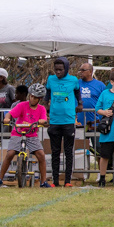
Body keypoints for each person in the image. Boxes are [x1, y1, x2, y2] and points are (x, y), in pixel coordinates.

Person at [0, 84, 50, 188]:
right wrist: (7, 118)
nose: (32, 99)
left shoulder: (41, 109)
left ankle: (43, 182)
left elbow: (44, 119)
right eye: (31, 96)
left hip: (32, 134)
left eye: (35, 97)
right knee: (10, 154)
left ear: (39, 99)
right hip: (18, 133)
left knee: (41, 155)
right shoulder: (22, 105)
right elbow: (10, 114)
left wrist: (42, 121)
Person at [45, 57, 82, 187]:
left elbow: (77, 92)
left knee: (68, 151)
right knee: (55, 151)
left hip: (68, 120)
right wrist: (45, 106)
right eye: (56, 69)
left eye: (60, 69)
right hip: (55, 120)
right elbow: (47, 94)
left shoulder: (73, 80)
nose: (58, 72)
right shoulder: (51, 79)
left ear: (66, 69)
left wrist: (80, 104)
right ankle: (55, 181)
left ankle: (67, 181)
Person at [76, 63, 105, 128]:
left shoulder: (100, 85)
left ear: (90, 71)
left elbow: (106, 102)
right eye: (80, 70)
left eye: (83, 70)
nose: (81, 72)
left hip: (94, 125)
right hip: (78, 124)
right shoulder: (76, 84)